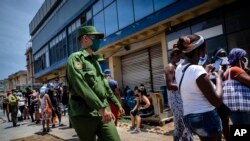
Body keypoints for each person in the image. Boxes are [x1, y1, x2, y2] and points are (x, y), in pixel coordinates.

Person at [66, 25, 124, 141]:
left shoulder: (95, 62)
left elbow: (105, 87)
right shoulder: (76, 59)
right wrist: (101, 108)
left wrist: (116, 105)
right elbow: (80, 86)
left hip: (102, 111)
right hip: (84, 114)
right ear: (85, 38)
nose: (98, 40)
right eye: (95, 37)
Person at [175, 34, 223, 141]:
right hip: (206, 117)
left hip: (190, 118)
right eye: (204, 49)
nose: (205, 52)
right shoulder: (197, 70)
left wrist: (205, 72)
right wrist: (219, 78)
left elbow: (192, 84)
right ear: (197, 51)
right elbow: (217, 101)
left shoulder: (179, 68)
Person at [165, 44, 191, 141]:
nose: (181, 57)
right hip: (176, 102)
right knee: (182, 126)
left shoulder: (176, 66)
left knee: (182, 127)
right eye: (180, 55)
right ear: (175, 55)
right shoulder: (170, 67)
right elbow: (169, 85)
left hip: (180, 100)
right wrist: (184, 86)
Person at [223, 48, 250, 125]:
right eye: (243, 58)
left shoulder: (229, 70)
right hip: (243, 108)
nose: (245, 60)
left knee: (239, 131)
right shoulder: (236, 69)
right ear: (239, 59)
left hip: (233, 108)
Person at [210, 48, 231, 141]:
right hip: (218, 99)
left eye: (225, 54)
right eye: (221, 55)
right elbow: (213, 81)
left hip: (229, 98)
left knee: (226, 122)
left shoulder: (229, 66)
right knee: (219, 124)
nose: (224, 56)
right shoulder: (214, 67)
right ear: (216, 57)